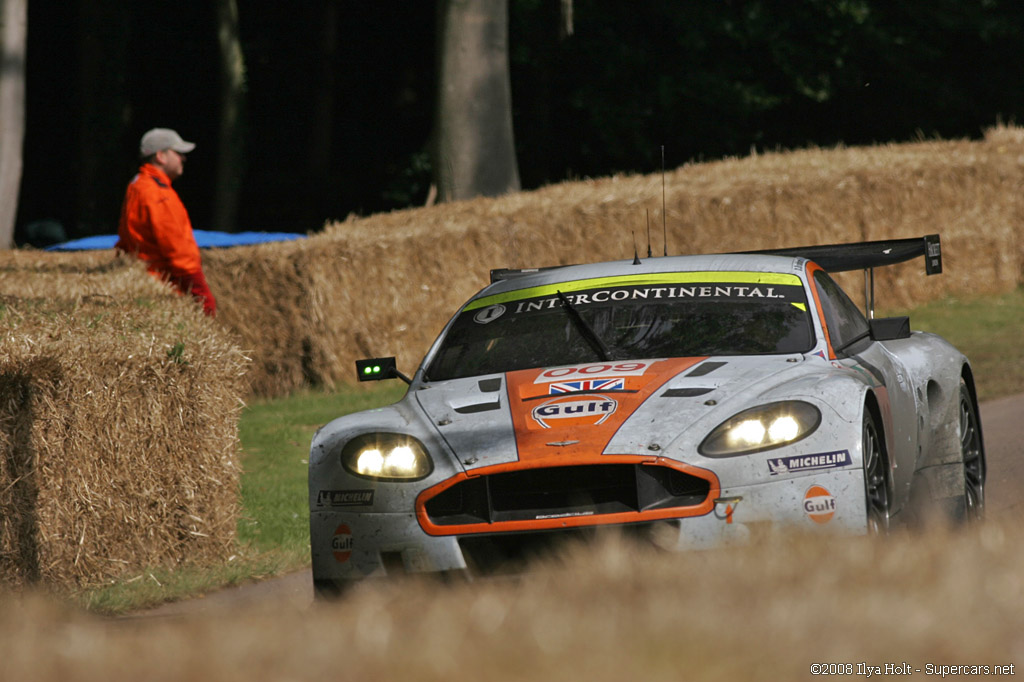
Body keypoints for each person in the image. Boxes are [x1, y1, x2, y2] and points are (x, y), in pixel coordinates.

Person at [116, 127, 217, 316]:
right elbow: (177, 248)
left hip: (144, 283)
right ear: (161, 156)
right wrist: (200, 291)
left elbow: (124, 240)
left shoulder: (136, 185)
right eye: (178, 153)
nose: (183, 159)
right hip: (164, 286)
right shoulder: (158, 194)